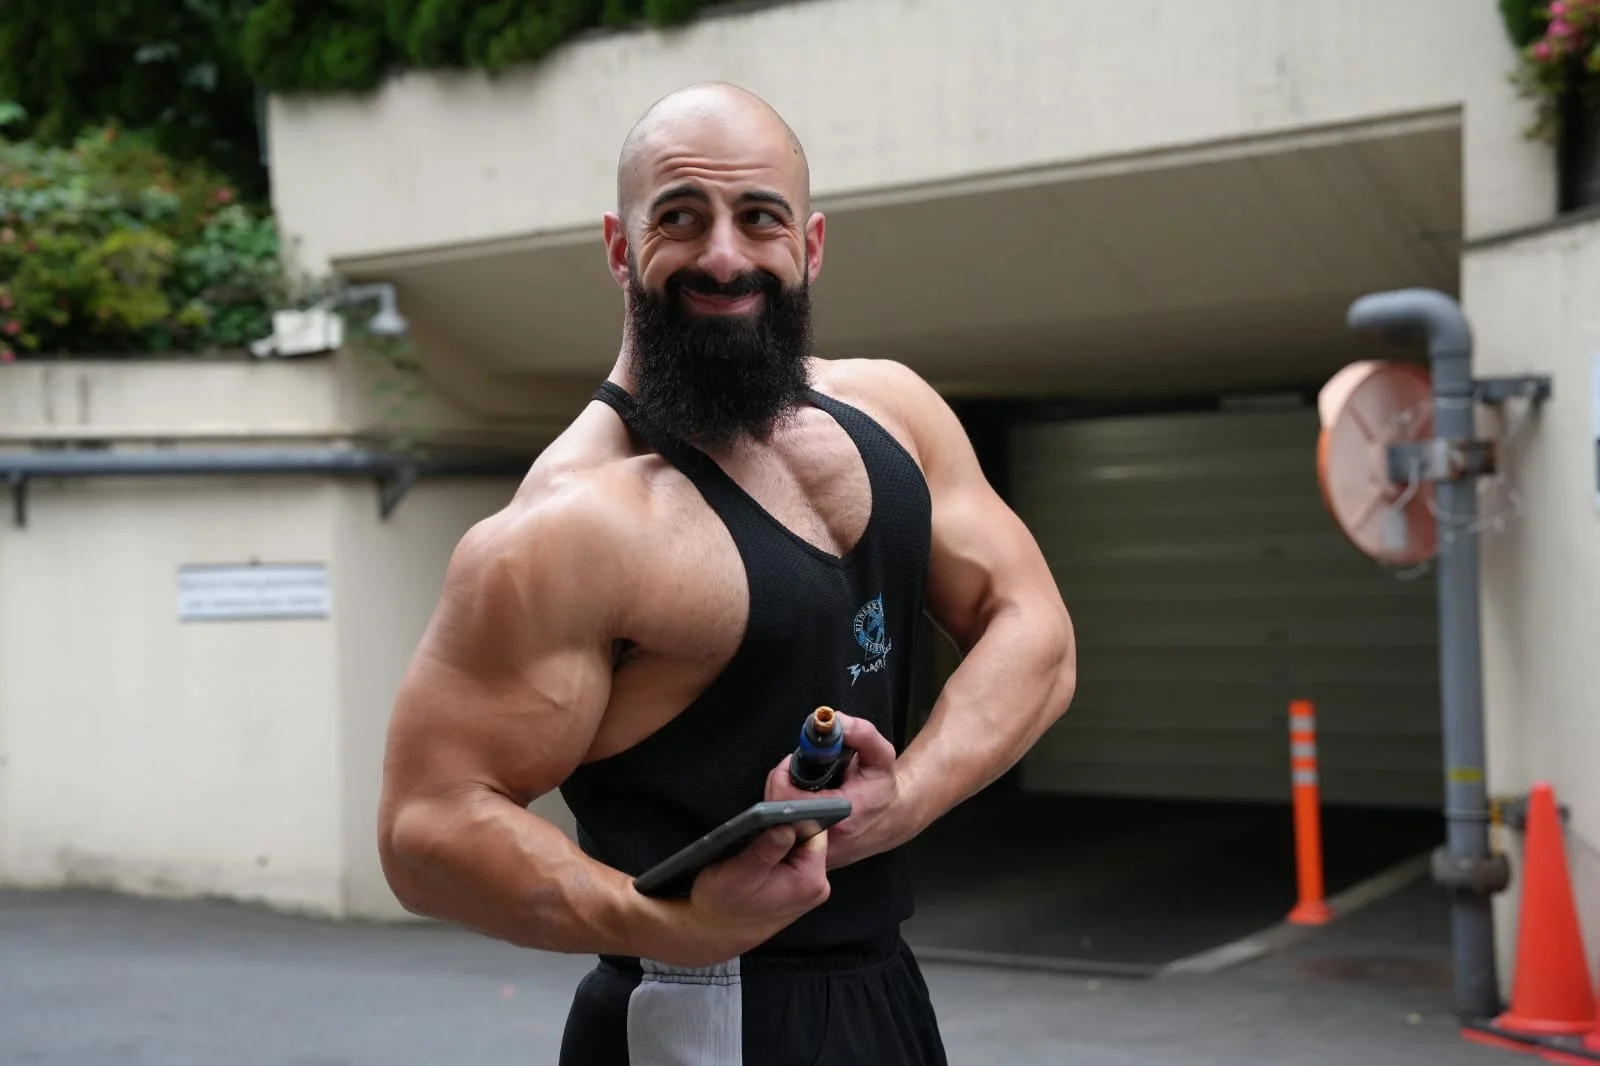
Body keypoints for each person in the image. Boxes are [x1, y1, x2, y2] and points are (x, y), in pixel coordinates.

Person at [376, 81, 1077, 1065]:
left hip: (881, 986)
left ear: (811, 243)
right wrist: (668, 922)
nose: (722, 254)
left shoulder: (892, 410)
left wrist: (906, 795)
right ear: (620, 249)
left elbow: (1033, 630)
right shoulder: (573, 525)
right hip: (706, 1009)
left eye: (758, 218)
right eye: (679, 218)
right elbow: (426, 827)